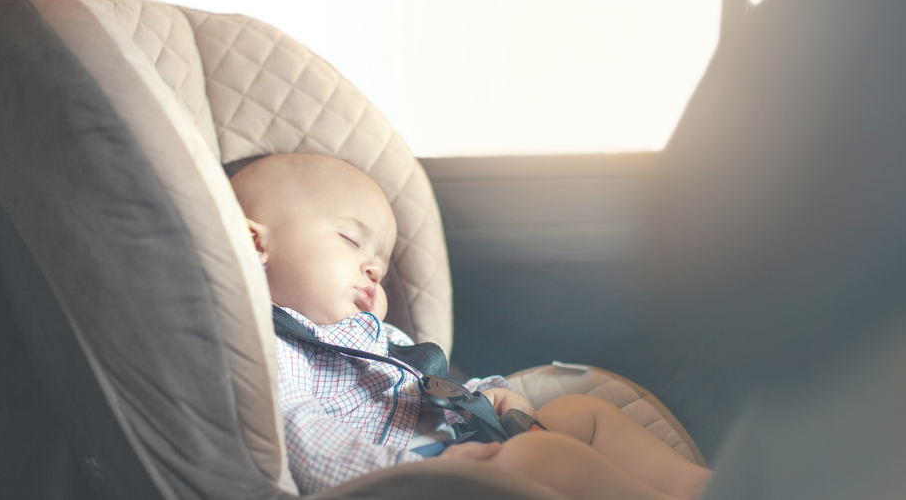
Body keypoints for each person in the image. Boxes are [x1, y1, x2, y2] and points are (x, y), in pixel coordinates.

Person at [231, 153, 712, 500]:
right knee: (538, 460)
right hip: (399, 480)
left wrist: (490, 395)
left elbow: (431, 391)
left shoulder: (384, 339)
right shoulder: (273, 346)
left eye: (380, 257)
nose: (374, 268)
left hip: (457, 450)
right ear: (256, 243)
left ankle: (703, 489)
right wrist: (416, 474)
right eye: (350, 239)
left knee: (578, 414)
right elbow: (304, 439)